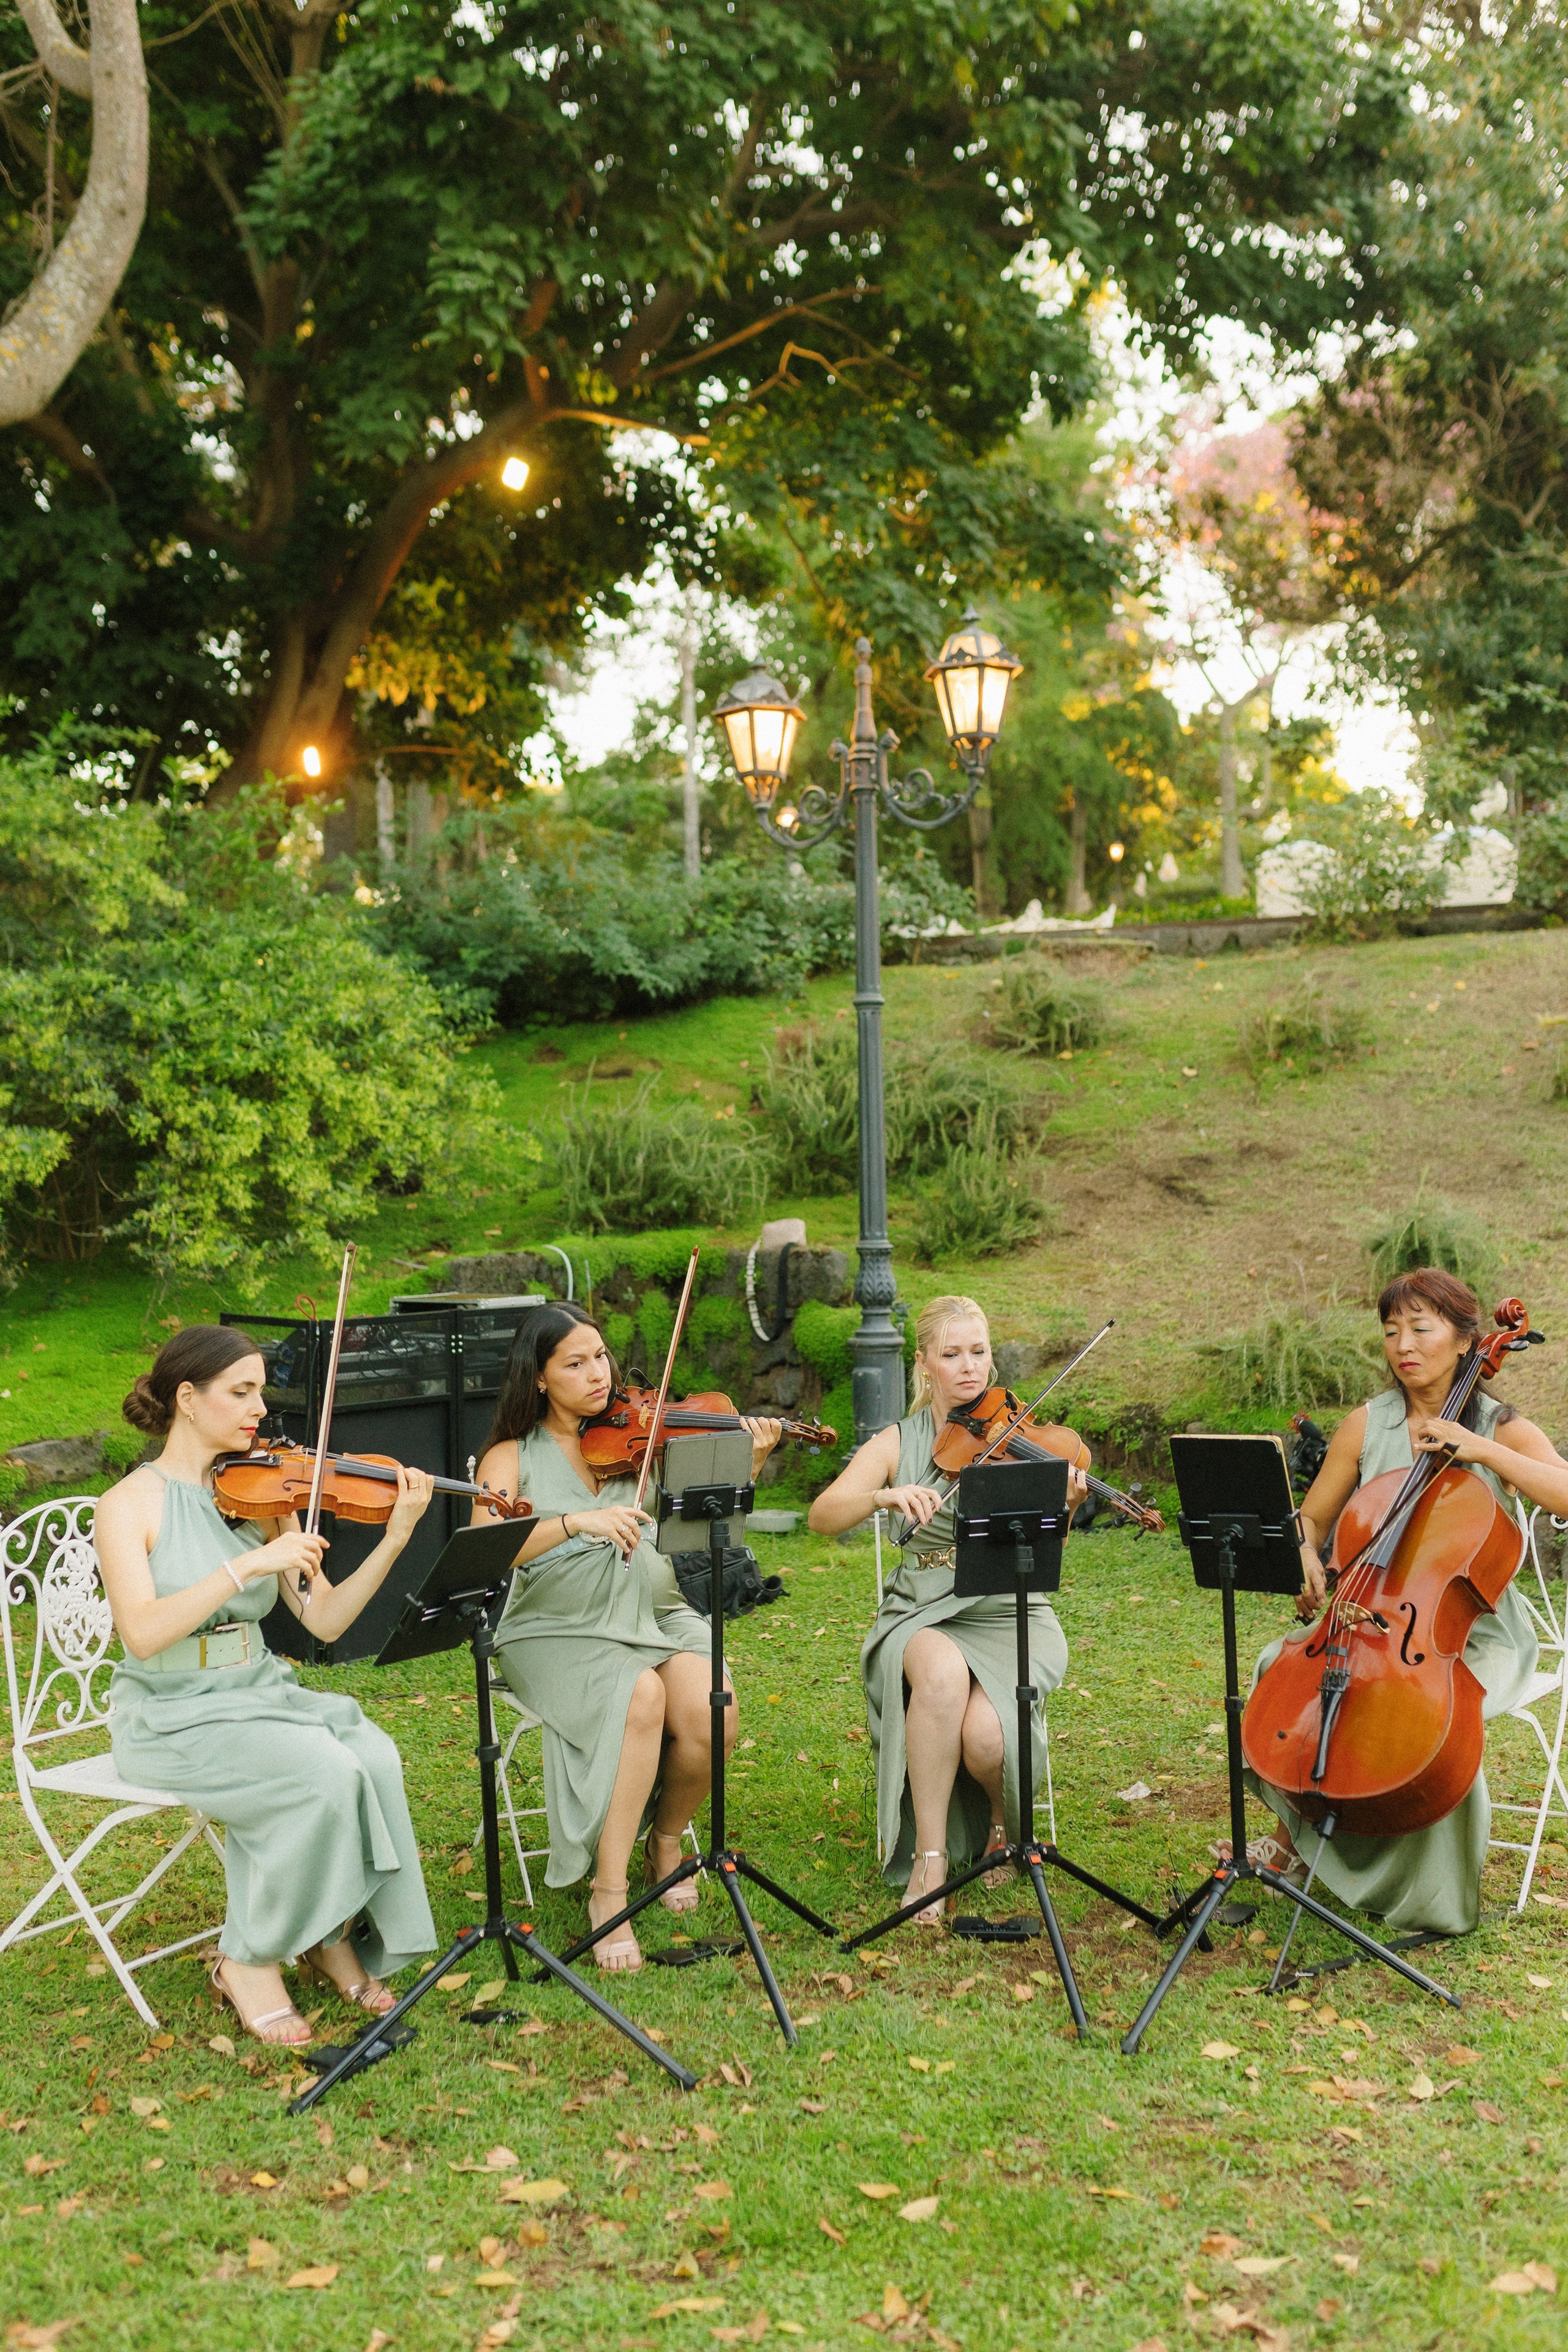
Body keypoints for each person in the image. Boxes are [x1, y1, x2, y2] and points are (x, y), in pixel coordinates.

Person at [94, 1326, 439, 2046]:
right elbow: (143, 1634)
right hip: (171, 1712)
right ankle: (247, 1961)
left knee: (373, 1758)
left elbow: (324, 1619)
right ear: (188, 1399)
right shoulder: (128, 1505)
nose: (260, 1408)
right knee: (322, 1772)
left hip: (258, 1691)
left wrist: (397, 1537)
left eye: (261, 1391)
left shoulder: (262, 1495)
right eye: (242, 1392)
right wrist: (246, 1568)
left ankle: (327, 1933)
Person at [1242, 1267, 1568, 1934]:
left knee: (1436, 1720)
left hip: (1474, 1634)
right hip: (1365, 1614)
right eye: (1391, 1331)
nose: (1403, 1345)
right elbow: (1311, 1520)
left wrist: (1480, 1450)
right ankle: (1294, 1843)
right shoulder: (1369, 1423)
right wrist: (1304, 1553)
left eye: (1420, 1328)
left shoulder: (1499, 1427)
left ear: (1462, 1340)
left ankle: (1427, 1897)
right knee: (1280, 1667)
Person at [471, 1304, 782, 1973]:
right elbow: (484, 1549)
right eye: (575, 1363)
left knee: (713, 1709)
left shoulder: (641, 1439)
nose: (597, 1374)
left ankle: (664, 1841)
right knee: (641, 1696)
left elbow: (707, 1526)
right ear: (539, 1379)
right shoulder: (509, 1457)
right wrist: (575, 1521)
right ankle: (607, 1894)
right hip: (556, 1626)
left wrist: (746, 1466)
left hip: (655, 1610)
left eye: (602, 1357)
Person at [807, 1296, 1088, 1923]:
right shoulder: (895, 1441)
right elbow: (823, 1516)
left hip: (1008, 1607)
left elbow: (1050, 1545)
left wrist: (1063, 1505)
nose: (969, 1368)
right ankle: (930, 1857)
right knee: (938, 1678)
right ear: (924, 1364)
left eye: (979, 1352)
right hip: (921, 1610)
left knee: (988, 1740)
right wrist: (884, 1494)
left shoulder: (1019, 1437)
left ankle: (1001, 1820)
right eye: (952, 1354)